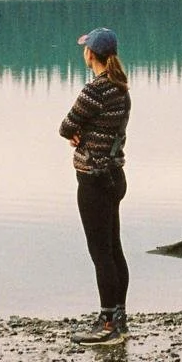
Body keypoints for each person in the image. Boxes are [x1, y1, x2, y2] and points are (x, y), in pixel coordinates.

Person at [59, 26, 132, 345]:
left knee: (100, 253)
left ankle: (107, 325)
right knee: (114, 249)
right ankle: (119, 317)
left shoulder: (94, 90)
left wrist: (78, 133)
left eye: (85, 47)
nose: (83, 52)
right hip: (115, 177)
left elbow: (65, 126)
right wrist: (82, 131)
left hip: (93, 179)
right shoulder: (121, 89)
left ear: (91, 54)